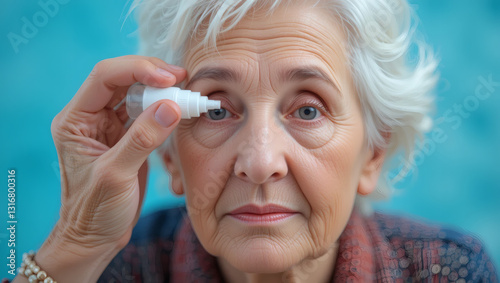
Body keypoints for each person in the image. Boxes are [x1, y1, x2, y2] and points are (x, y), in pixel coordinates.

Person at [8, 0, 498, 282]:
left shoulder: (447, 269)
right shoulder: (118, 271)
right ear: (170, 154)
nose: (260, 162)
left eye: (307, 110)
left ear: (373, 151)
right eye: (217, 109)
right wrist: (77, 247)